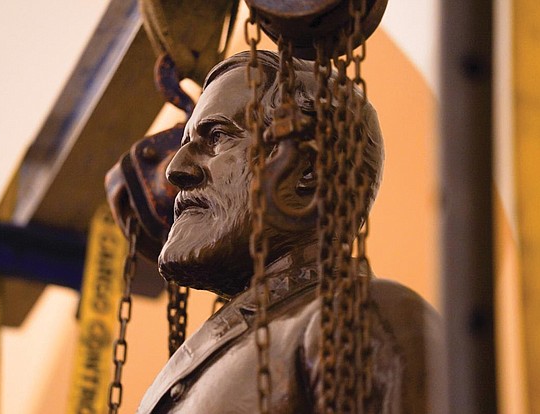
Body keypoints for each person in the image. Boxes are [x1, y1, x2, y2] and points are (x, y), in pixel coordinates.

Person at [107, 50, 445, 413]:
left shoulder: (369, 321)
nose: (176, 169)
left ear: (308, 170)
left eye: (217, 136)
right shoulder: (218, 351)